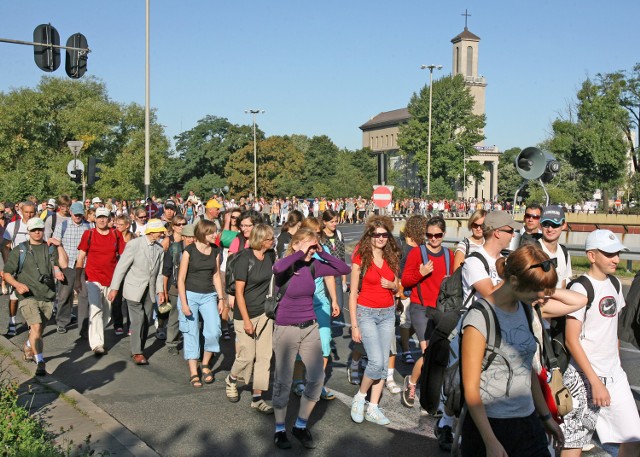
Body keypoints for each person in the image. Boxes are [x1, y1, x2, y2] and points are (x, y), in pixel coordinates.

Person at [459, 244, 564, 456]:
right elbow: (471, 390)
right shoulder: (479, 318)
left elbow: (526, 367)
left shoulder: (525, 309)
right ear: (514, 281)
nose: (541, 296)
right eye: (536, 290)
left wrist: (545, 416)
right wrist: (490, 442)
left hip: (527, 422)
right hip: (490, 427)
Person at [561, 230, 640, 456]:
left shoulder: (615, 284)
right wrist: (595, 382)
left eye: (617, 253)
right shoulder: (580, 288)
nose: (615, 259)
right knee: (574, 444)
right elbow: (571, 339)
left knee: (633, 437)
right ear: (592, 256)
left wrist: (617, 365)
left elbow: (611, 330)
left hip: (615, 375)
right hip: (584, 378)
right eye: (609, 254)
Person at [271, 228, 350, 449]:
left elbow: (345, 268)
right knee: (283, 381)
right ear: (295, 244)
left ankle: (300, 425)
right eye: (306, 243)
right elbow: (277, 268)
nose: (311, 248)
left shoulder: (313, 265)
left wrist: (321, 253)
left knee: (316, 378)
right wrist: (299, 252)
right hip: (286, 328)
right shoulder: (287, 265)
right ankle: (279, 429)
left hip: (310, 327)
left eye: (313, 244)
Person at [349, 216, 401, 427]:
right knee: (376, 362)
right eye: (376, 234)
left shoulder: (392, 256)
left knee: (381, 363)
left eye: (384, 234)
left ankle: (373, 406)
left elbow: (398, 285)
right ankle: (360, 397)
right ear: (369, 235)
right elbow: (353, 293)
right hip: (367, 313)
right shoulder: (361, 256)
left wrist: (392, 285)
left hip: (387, 313)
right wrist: (354, 324)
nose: (381, 238)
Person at [400, 216, 453, 409]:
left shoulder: (449, 255)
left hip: (441, 310)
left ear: (443, 235)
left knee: (441, 351)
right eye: (429, 235)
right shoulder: (417, 253)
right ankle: (412, 382)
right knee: (428, 350)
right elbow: (405, 282)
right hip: (420, 307)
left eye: (437, 235)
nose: (433, 239)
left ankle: (433, 388)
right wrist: (420, 273)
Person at [3, 218, 65, 376]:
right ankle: (40, 361)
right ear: (28, 232)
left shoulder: (49, 249)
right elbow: (7, 273)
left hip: (47, 295)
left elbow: (64, 264)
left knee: (39, 331)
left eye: (40, 229)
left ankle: (30, 344)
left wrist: (60, 246)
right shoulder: (20, 250)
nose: (37, 232)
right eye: (33, 230)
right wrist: (17, 285)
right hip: (27, 296)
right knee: (36, 327)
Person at [225, 223, 276, 413]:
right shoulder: (244, 259)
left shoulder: (270, 255)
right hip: (245, 314)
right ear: (261, 240)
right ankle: (231, 379)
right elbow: (239, 292)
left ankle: (257, 397)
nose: (273, 240)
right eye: (270, 238)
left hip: (265, 313)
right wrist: (246, 320)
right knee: (247, 356)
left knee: (264, 357)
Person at [107, 219, 167, 365]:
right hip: (133, 288)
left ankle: (140, 347)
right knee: (138, 319)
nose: (162, 233)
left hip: (150, 290)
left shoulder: (159, 249)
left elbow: (159, 273)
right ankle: (137, 352)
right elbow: (121, 267)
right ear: (152, 232)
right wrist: (114, 288)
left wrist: (160, 291)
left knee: (146, 320)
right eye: (160, 231)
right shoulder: (134, 244)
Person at [174, 220, 224, 385]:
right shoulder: (189, 251)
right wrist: (184, 303)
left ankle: (205, 363)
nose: (215, 235)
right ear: (202, 234)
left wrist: (221, 298)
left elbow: (216, 275)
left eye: (215, 232)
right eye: (211, 233)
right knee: (191, 332)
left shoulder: (216, 251)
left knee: (214, 330)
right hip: (189, 295)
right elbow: (180, 279)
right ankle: (194, 371)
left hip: (209, 295)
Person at [75, 208, 125, 356]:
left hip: (111, 279)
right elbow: (81, 257)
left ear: (109, 219)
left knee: (107, 313)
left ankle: (97, 332)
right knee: (96, 309)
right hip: (93, 278)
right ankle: (97, 344)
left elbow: (123, 256)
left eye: (105, 217)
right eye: (99, 217)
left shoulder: (116, 234)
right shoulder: (88, 234)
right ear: (94, 219)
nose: (102, 220)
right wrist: (78, 279)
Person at [49, 202, 90, 335]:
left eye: (80, 214)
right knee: (64, 295)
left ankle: (84, 326)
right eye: (76, 214)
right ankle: (62, 322)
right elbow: (54, 247)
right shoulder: (63, 226)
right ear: (70, 213)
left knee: (84, 295)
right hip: (67, 265)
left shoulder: (89, 226)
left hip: (84, 266)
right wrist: (56, 268)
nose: (78, 217)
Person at [2, 201, 37, 336]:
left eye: (31, 212)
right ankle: (12, 324)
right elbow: (5, 246)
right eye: (26, 212)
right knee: (14, 298)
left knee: (32, 298)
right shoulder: (13, 226)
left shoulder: (38, 225)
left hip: (33, 268)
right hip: (17, 267)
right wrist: (8, 263)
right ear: (21, 211)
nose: (28, 215)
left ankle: (31, 325)